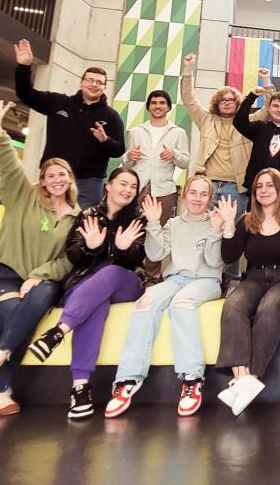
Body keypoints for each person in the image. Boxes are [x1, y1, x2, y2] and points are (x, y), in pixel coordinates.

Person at [0, 100, 80, 416]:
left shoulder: (76, 216)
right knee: (20, 316)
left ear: (70, 179)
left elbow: (68, 260)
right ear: (42, 180)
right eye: (51, 175)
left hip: (38, 283)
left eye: (63, 174)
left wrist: (40, 273)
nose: (57, 179)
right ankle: (0, 382)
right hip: (0, 279)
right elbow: (8, 165)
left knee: (42, 292)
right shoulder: (24, 196)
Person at [27, 168, 146, 420]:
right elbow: (72, 255)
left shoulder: (137, 218)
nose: (127, 190)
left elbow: (139, 257)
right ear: (108, 186)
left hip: (126, 282)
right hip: (89, 285)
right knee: (97, 304)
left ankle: (59, 331)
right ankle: (79, 387)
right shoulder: (88, 215)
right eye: (123, 184)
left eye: (133, 187)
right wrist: (91, 249)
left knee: (111, 271)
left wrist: (122, 250)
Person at [104, 177, 226, 418]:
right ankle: (128, 379)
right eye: (193, 192)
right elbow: (155, 253)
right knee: (144, 303)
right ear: (184, 196)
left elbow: (214, 262)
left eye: (203, 194)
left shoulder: (215, 221)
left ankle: (192, 379)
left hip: (206, 280)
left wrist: (214, 230)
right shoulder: (173, 223)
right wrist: (152, 223)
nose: (198, 198)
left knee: (181, 305)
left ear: (209, 199)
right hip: (175, 280)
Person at [216, 170, 280, 416]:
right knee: (233, 304)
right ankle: (242, 378)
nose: (264, 190)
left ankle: (250, 376)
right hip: (255, 277)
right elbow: (229, 257)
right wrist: (228, 225)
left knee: (269, 308)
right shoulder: (247, 221)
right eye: (259, 186)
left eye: (270, 185)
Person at [14, 39, 126, 209]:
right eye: (90, 80)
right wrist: (24, 67)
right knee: (46, 221)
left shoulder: (111, 116)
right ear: (81, 82)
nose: (94, 85)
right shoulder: (58, 102)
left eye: (99, 82)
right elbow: (26, 94)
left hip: (88, 183)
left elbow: (119, 150)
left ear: (104, 87)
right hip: (54, 176)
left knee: (82, 228)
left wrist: (105, 140)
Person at [180, 52, 273, 216]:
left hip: (235, 187)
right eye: (223, 100)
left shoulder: (248, 122)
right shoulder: (206, 120)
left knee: (231, 233)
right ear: (217, 103)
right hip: (206, 184)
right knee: (204, 228)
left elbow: (268, 108)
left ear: (238, 103)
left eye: (231, 100)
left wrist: (266, 82)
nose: (227, 103)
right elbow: (189, 99)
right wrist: (188, 69)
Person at [124, 89, 189, 281]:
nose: (158, 106)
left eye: (162, 102)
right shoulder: (137, 131)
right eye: (154, 102)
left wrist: (174, 155)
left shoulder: (178, 132)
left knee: (157, 235)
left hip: (164, 190)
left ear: (168, 107)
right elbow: (126, 163)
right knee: (135, 231)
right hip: (138, 188)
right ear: (149, 107)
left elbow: (185, 161)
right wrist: (129, 157)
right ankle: (132, 274)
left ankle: (152, 278)